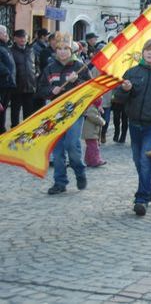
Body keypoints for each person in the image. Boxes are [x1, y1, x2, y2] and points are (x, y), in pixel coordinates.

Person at [113, 39, 151, 216]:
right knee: (137, 159)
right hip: (134, 124)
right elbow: (118, 99)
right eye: (147, 50)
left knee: (145, 159)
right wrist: (124, 90)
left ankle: (141, 199)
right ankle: (148, 188)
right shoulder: (132, 73)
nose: (149, 54)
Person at [37, 33, 91, 195]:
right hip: (55, 114)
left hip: (75, 112)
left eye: (65, 49)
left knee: (71, 144)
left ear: (71, 49)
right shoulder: (50, 68)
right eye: (59, 49)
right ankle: (60, 181)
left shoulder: (79, 66)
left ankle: (79, 171)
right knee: (58, 149)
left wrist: (77, 81)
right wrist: (50, 91)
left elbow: (89, 88)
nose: (62, 52)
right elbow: (40, 89)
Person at [10, 29, 37, 127]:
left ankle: (27, 132)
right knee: (15, 113)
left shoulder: (30, 50)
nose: (23, 39)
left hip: (30, 87)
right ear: (15, 39)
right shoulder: (11, 51)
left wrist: (36, 74)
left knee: (29, 113)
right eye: (20, 37)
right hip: (16, 87)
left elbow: (36, 65)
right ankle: (14, 131)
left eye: (25, 37)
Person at [0, 25, 16, 134]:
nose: (7, 35)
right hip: (2, 83)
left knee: (3, 110)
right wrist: (6, 72)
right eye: (5, 33)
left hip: (7, 84)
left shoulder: (5, 46)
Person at [82, 98, 107, 167]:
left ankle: (88, 160)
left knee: (90, 147)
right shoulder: (91, 107)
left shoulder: (93, 107)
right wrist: (102, 121)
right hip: (90, 131)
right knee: (94, 147)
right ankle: (96, 160)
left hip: (91, 131)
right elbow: (94, 117)